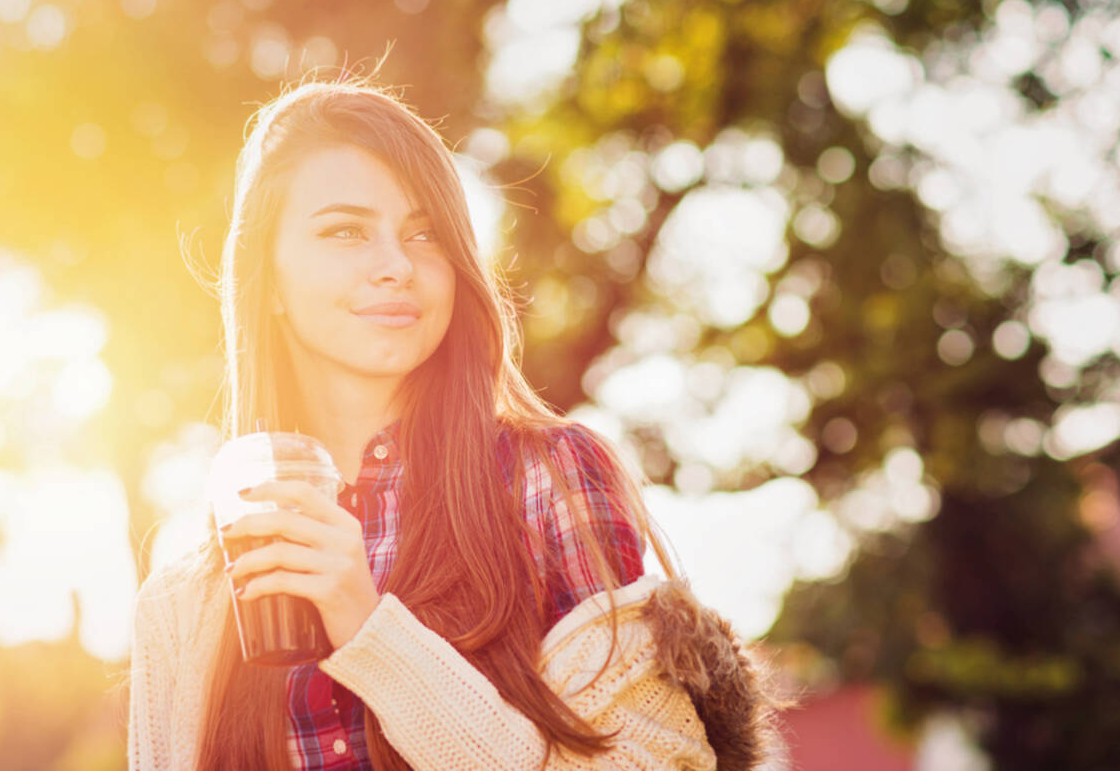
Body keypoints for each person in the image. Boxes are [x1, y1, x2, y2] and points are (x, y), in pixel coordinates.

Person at [128, 74, 786, 771]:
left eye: (425, 234)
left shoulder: (547, 481)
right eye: (345, 232)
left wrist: (370, 628)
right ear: (270, 280)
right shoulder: (183, 604)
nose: (395, 266)